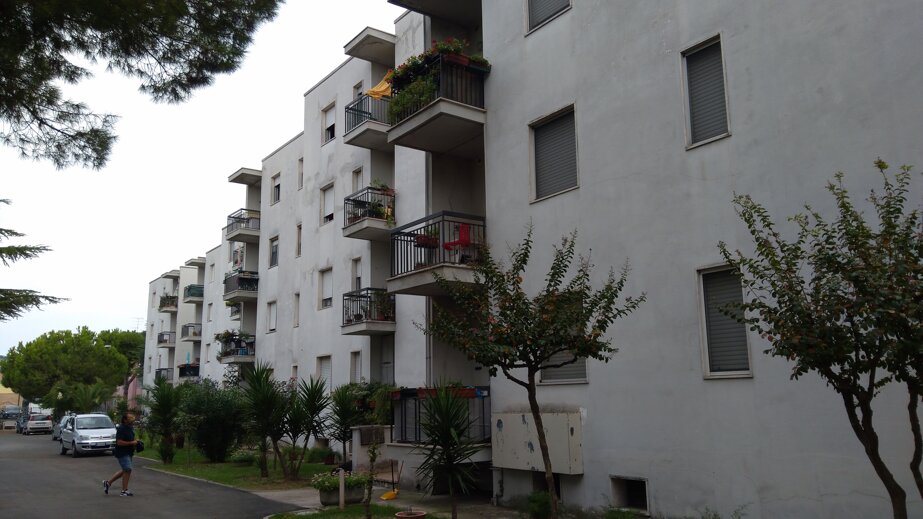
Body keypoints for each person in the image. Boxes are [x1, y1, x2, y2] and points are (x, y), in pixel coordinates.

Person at [103, 413, 139, 497]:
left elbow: (130, 439)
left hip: (129, 452)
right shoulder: (121, 428)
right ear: (125, 420)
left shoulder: (130, 428)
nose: (132, 419)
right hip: (122, 452)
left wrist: (136, 442)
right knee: (128, 469)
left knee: (125, 470)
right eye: (130, 418)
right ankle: (124, 491)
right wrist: (131, 443)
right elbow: (119, 442)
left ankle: (108, 483)